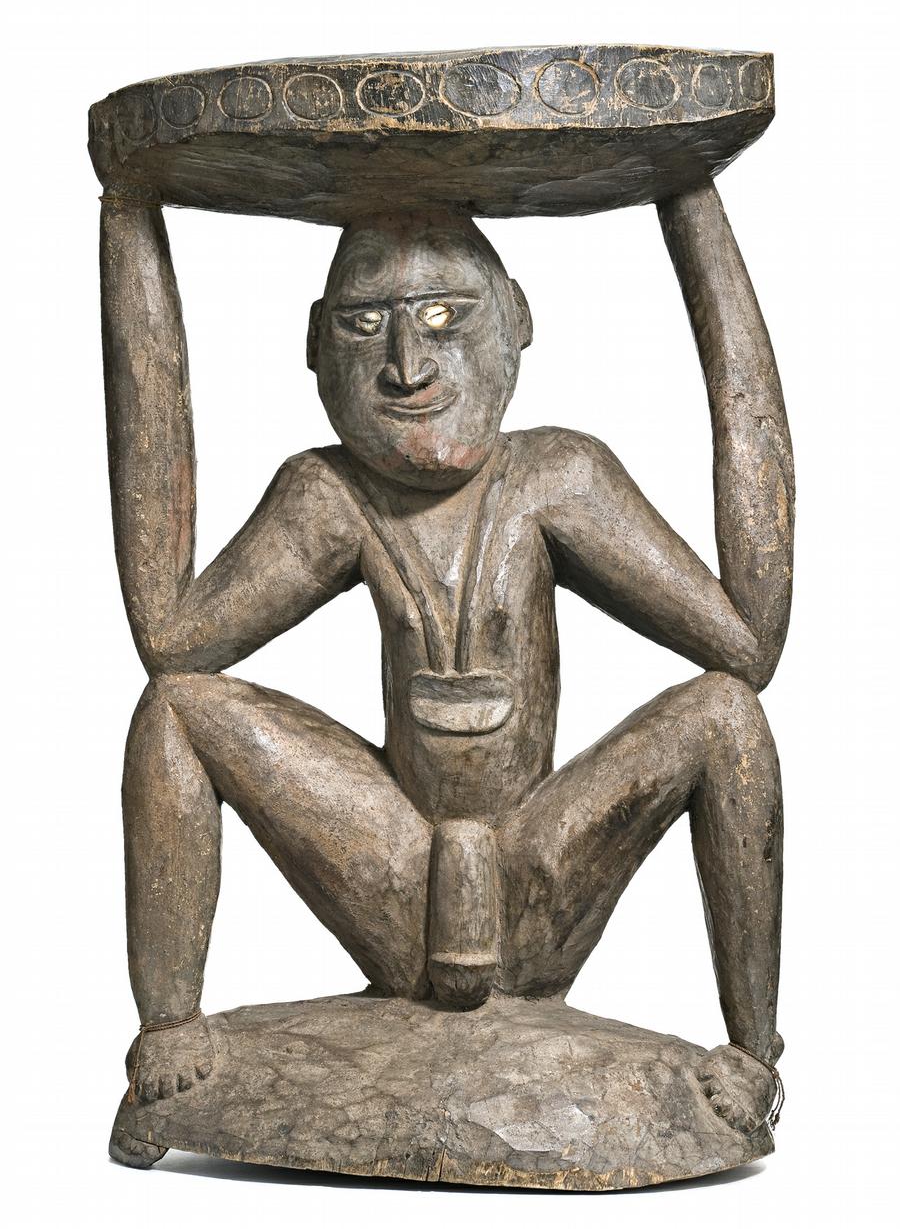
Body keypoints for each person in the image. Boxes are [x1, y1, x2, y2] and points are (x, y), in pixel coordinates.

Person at [100, 182, 793, 1134]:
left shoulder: (558, 476)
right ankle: (169, 1025)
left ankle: (753, 1049)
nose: (407, 367)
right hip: (393, 874)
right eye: (364, 326)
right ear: (313, 346)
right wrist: (129, 223)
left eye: (442, 318)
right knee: (176, 707)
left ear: (516, 320)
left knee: (726, 713)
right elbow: (170, 637)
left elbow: (748, 640)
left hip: (541, 870)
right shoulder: (329, 495)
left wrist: (693, 209)